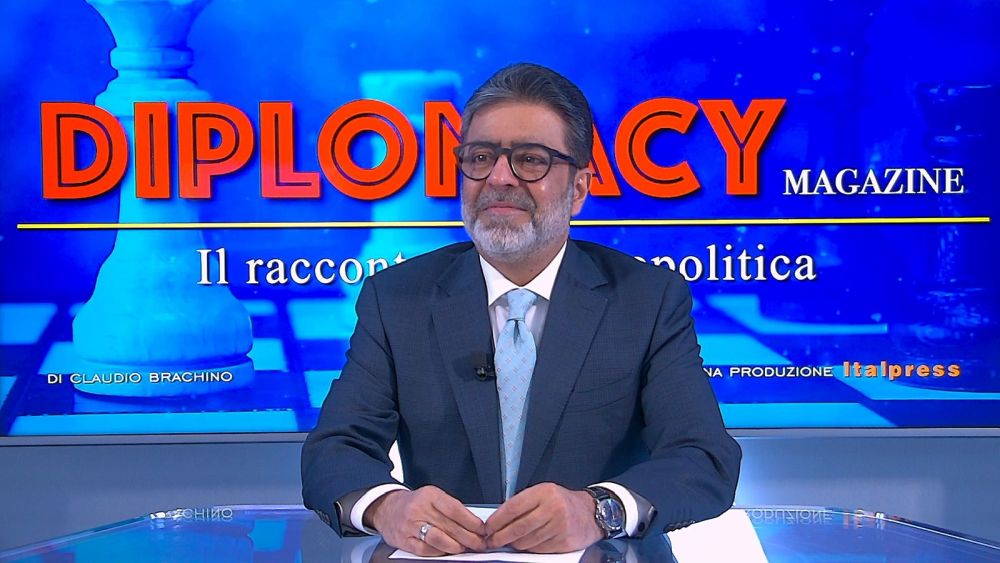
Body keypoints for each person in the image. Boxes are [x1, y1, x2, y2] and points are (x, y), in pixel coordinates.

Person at [301, 62, 741, 556]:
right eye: (480, 157)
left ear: (579, 189)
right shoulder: (397, 298)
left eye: (530, 160)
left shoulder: (647, 299)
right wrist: (387, 507)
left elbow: (704, 459)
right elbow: (333, 450)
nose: (499, 177)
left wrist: (599, 511)